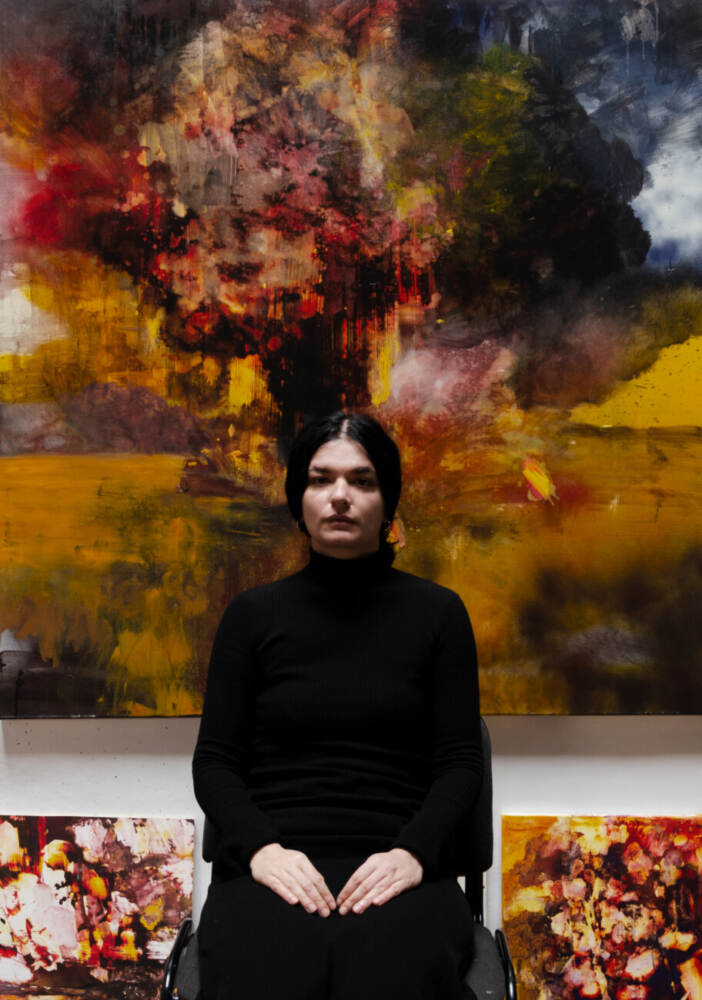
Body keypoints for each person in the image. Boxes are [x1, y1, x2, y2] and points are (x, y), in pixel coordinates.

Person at [192, 411, 483, 1000]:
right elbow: (216, 762)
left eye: (362, 481)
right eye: (321, 479)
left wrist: (413, 853)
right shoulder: (251, 616)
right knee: (269, 976)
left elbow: (460, 762)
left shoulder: (440, 614)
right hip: (275, 864)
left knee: (389, 976)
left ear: (388, 501)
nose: (341, 496)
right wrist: (263, 851)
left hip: (399, 865)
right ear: (298, 500)